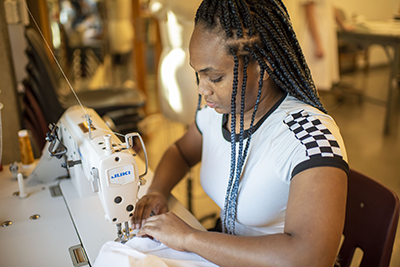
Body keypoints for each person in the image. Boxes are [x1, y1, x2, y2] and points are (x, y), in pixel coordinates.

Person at [132, 0, 348, 266]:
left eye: (215, 78)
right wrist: (157, 190)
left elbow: (309, 257)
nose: (202, 89)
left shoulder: (309, 136)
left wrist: (189, 238)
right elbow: (180, 152)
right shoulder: (217, 113)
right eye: (198, 75)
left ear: (264, 67)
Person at [285, 0, 340, 91]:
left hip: (324, 36)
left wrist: (343, 25)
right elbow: (310, 15)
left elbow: (331, 7)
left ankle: (315, 102)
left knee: (319, 78)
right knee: (313, 78)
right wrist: (318, 43)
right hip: (313, 38)